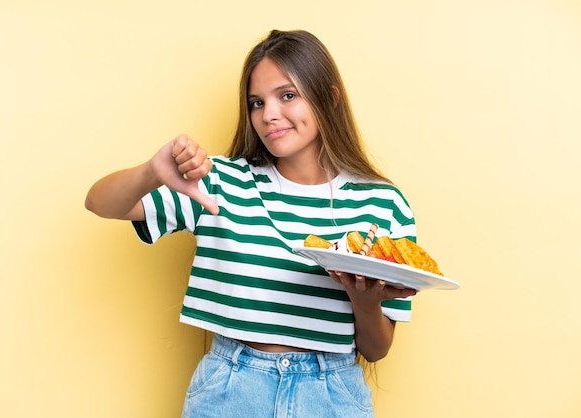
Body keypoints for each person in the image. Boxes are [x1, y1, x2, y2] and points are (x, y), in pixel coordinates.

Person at [85, 29, 418, 418]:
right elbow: (99, 202)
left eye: (287, 95)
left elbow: (377, 349)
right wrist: (151, 171)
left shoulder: (384, 204)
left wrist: (364, 301)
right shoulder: (218, 183)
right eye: (256, 102)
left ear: (329, 97)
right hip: (230, 390)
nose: (269, 115)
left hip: (331, 395)